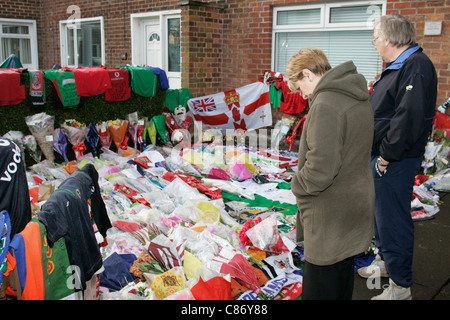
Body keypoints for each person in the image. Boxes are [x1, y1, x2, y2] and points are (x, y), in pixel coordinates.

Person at [357, 14, 437, 300]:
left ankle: (401, 287)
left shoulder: (416, 66)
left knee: (392, 220)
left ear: (388, 40)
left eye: (375, 38)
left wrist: (386, 156)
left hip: (394, 159)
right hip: (384, 155)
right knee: (381, 217)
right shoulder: (400, 64)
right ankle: (386, 263)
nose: (374, 43)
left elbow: (408, 117)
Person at [287, 48, 375, 300]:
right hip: (353, 205)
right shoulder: (355, 95)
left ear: (308, 74)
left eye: (299, 87)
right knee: (341, 284)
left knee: (321, 288)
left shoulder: (326, 104)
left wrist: (297, 186)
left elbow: (320, 170)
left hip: (330, 214)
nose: (301, 95)